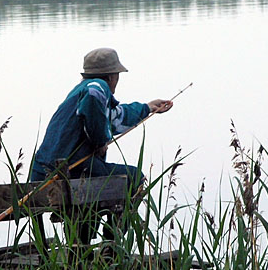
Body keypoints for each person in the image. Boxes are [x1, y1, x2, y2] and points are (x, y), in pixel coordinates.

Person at [30, 47, 172, 193]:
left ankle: (89, 216)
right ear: (111, 77)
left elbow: (114, 116)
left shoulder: (80, 92)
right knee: (135, 177)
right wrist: (100, 141)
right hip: (68, 170)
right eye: (117, 75)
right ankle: (125, 216)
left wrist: (147, 108)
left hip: (40, 171)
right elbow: (94, 96)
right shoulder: (97, 87)